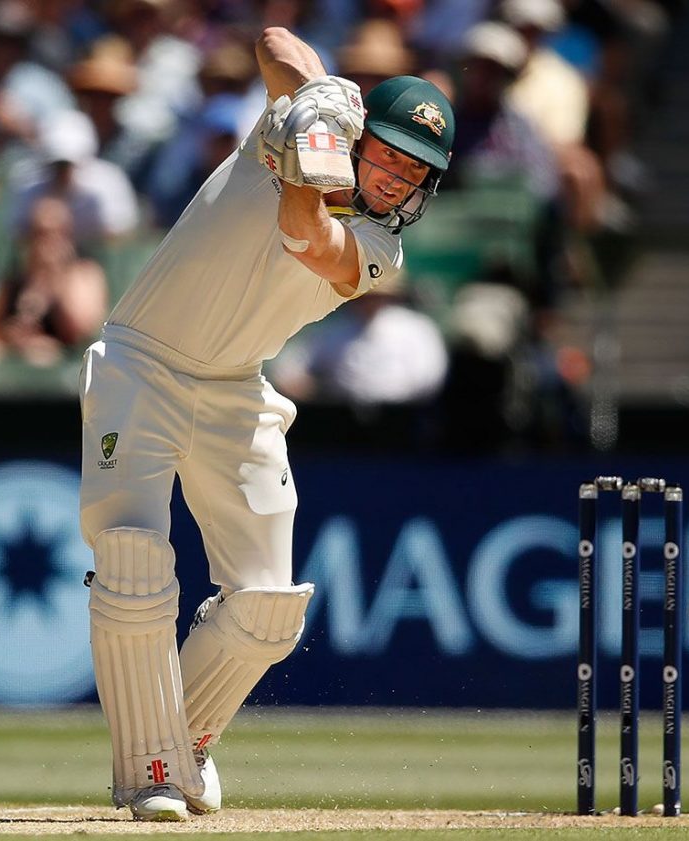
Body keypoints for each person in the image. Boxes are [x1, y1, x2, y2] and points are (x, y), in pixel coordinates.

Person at [77, 26, 454, 821]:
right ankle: (149, 766)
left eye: (416, 171)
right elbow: (276, 41)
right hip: (141, 361)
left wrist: (301, 171)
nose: (399, 180)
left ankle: (188, 738)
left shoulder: (382, 246)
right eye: (391, 156)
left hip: (236, 389)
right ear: (364, 138)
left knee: (270, 605)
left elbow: (307, 238)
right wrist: (312, 95)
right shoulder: (318, 119)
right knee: (135, 560)